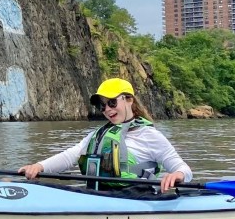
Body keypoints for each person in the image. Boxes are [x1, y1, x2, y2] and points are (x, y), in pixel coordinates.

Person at [18, 78, 192, 193]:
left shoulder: (149, 135)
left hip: (136, 198)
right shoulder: (99, 134)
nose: (107, 109)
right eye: (102, 106)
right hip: (100, 195)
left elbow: (184, 169)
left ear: (129, 100)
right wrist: (39, 167)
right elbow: (71, 155)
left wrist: (177, 175)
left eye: (112, 102)